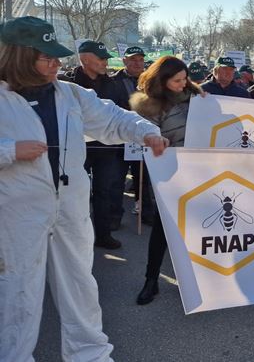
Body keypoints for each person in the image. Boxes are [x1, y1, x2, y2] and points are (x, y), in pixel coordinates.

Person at [0, 16, 168, 362]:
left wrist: (145, 131)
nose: (55, 64)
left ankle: (90, 354)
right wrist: (9, 151)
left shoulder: (70, 93)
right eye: (45, 57)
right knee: (16, 292)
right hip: (16, 213)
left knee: (80, 284)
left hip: (71, 207)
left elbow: (112, 117)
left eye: (56, 57)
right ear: (18, 56)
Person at [129, 56, 205, 305]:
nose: (183, 84)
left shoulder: (197, 96)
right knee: (163, 228)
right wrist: (158, 140)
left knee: (196, 225)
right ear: (162, 81)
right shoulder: (150, 105)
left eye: (185, 79)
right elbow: (147, 135)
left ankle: (196, 278)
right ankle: (151, 280)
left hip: (201, 171)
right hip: (170, 173)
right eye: (177, 80)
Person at [63, 40, 130, 249]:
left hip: (106, 150)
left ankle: (102, 234)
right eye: (101, 58)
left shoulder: (113, 85)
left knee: (104, 192)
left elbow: (123, 113)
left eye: (106, 58)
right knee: (75, 194)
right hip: (75, 149)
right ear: (85, 59)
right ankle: (75, 238)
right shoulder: (66, 84)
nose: (105, 62)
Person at [112, 46, 152, 226]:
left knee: (143, 179)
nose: (137, 63)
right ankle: (113, 218)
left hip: (143, 137)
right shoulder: (112, 81)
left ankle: (145, 212)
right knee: (117, 180)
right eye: (133, 59)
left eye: (140, 60)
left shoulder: (151, 81)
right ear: (124, 61)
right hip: (120, 138)